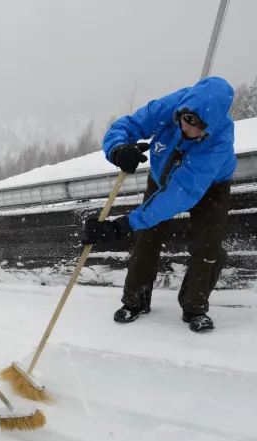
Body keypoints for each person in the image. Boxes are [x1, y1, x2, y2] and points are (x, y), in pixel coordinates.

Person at [81, 76, 236, 333]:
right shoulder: (169, 107)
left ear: (213, 126)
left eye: (198, 128)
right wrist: (119, 149)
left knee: (208, 246)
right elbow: (127, 125)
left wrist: (123, 225)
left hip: (210, 187)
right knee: (146, 238)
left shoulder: (218, 142)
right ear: (181, 112)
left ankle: (195, 307)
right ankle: (135, 301)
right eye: (186, 121)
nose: (188, 130)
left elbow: (183, 191)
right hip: (161, 176)